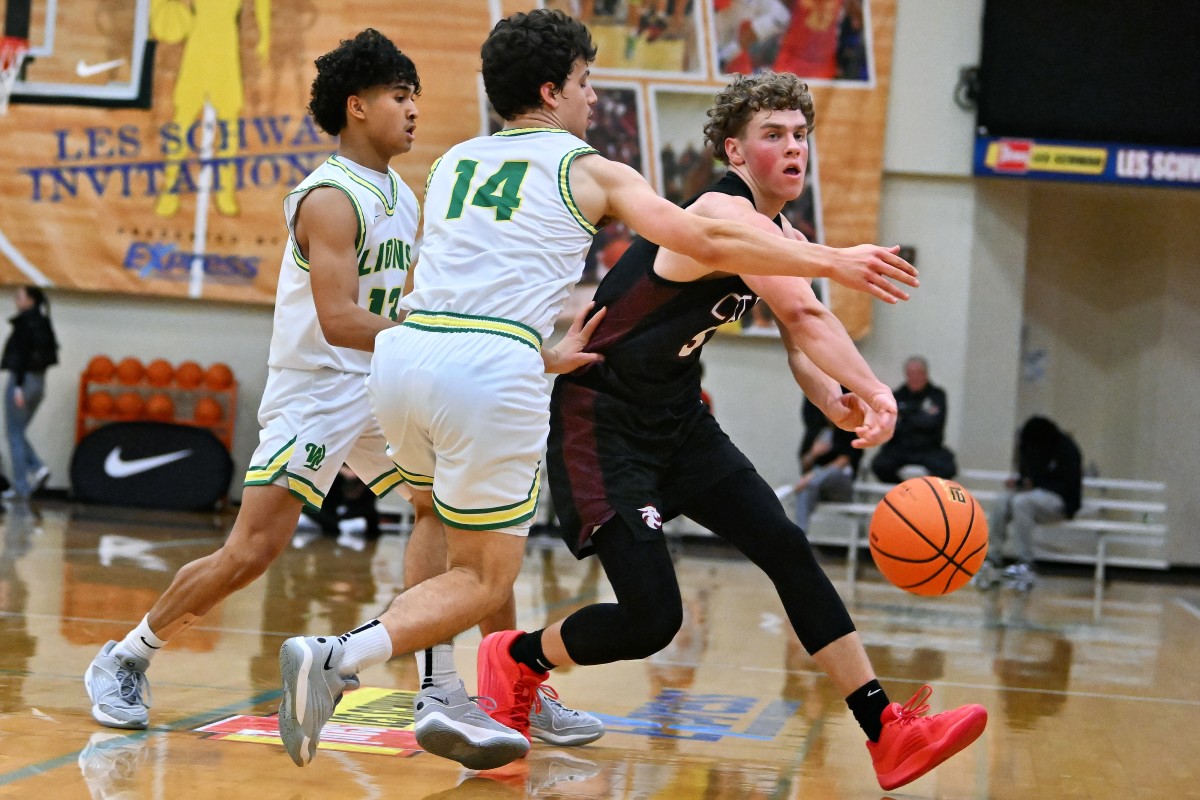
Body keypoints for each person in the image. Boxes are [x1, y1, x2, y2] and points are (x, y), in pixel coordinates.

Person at [276, 9, 920, 773]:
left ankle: (444, 690)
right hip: (511, 384)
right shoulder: (595, 169)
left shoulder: (453, 161)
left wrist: (540, 353)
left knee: (436, 524)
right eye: (587, 83)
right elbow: (709, 241)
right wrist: (837, 260)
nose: (594, 98)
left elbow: (462, 280)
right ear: (552, 91)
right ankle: (343, 656)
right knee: (483, 577)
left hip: (410, 355)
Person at [473, 71, 987, 792]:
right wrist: (875, 388)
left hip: (678, 422)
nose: (792, 147)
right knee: (653, 618)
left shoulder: (783, 235)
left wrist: (833, 392)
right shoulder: (720, 209)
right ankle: (520, 656)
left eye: (800, 134)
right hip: (604, 423)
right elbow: (809, 317)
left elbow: (796, 339)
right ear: (735, 151)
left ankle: (885, 730)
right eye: (772, 135)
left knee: (784, 543)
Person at [83, 28, 425, 732]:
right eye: (400, 96)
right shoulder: (330, 197)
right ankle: (125, 656)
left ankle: (427, 676)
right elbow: (336, 318)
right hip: (317, 391)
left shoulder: (403, 196)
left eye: (415, 96)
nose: (413, 109)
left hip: (374, 389)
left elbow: (397, 306)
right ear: (357, 106)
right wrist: (436, 341)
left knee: (442, 510)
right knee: (251, 553)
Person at [979, 415, 1082, 590]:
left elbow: (1068, 485)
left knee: (1021, 503)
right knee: (1001, 501)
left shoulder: (1067, 449)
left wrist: (1034, 484)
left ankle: (1025, 563)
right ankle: (992, 557)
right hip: (1033, 495)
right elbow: (1030, 477)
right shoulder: (1029, 445)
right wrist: (1020, 483)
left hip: (1059, 500)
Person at [2, 285, 58, 502]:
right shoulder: (44, 323)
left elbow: (20, 357)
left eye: (20, 297)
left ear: (31, 301)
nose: (16, 300)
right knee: (18, 432)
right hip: (39, 383)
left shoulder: (25, 324)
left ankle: (21, 486)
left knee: (13, 435)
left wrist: (17, 386)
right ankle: (38, 468)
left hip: (23, 381)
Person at [870, 355, 958, 483]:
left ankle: (928, 495)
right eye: (911, 373)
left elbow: (933, 423)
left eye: (919, 373)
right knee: (880, 465)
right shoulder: (897, 395)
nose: (915, 377)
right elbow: (892, 425)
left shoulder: (937, 395)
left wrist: (905, 415)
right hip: (901, 447)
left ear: (926, 374)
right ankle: (906, 493)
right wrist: (919, 414)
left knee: (947, 468)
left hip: (929, 448)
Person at [793, 393, 861, 529]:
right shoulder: (817, 431)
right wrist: (813, 453)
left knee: (829, 474)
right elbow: (804, 462)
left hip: (840, 484)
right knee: (806, 489)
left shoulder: (848, 430)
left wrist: (814, 475)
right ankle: (801, 535)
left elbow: (844, 461)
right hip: (816, 485)